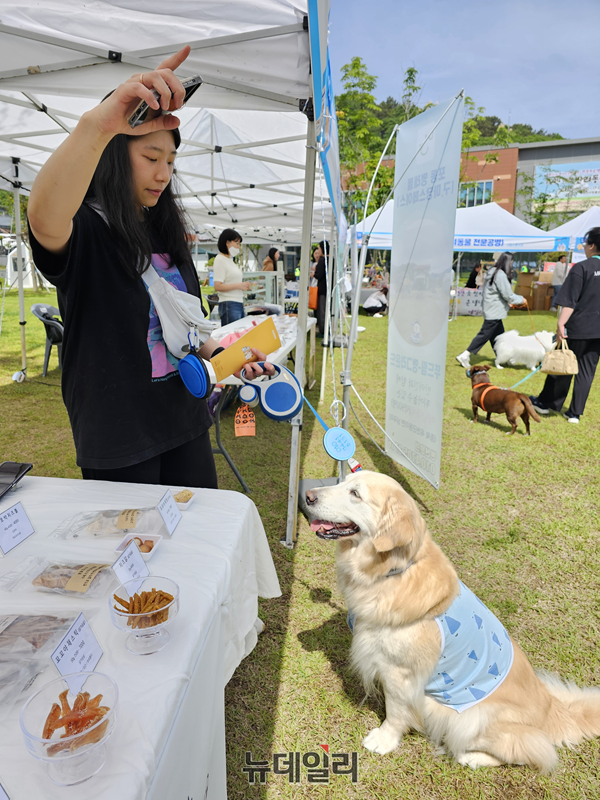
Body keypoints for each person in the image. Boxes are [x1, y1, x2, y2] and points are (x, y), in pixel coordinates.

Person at [26, 45, 272, 488]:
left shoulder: (164, 233)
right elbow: (42, 217)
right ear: (114, 155)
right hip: (120, 439)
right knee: (134, 551)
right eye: (151, 158)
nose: (163, 174)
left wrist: (227, 356)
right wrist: (99, 125)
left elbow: (184, 326)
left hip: (185, 420)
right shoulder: (85, 229)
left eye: (171, 162)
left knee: (195, 546)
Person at [529, 228, 600, 424]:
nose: (585, 248)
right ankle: (574, 414)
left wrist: (561, 324)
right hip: (597, 331)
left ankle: (547, 404)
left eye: (586, 244)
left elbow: (570, 301)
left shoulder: (582, 268)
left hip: (578, 327)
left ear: (592, 245)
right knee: (587, 370)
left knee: (562, 363)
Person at [456, 253, 527, 368]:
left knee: (498, 337)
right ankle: (465, 354)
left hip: (492, 309)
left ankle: (504, 357)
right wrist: (521, 299)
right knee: (484, 335)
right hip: (494, 311)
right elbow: (508, 295)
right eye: (512, 263)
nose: (512, 266)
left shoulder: (493, 272)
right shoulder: (500, 275)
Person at [213, 228, 251, 327]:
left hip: (237, 302)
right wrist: (239, 285)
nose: (238, 247)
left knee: (239, 336)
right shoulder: (220, 259)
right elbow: (218, 286)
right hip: (228, 304)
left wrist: (243, 286)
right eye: (236, 243)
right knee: (233, 339)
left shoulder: (230, 260)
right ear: (227, 243)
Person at [313, 240, 329, 336]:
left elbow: (319, 275)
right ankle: (325, 328)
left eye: (319, 249)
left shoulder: (323, 260)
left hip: (322, 289)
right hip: (328, 288)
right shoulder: (331, 259)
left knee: (321, 310)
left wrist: (313, 274)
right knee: (326, 309)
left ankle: (322, 330)